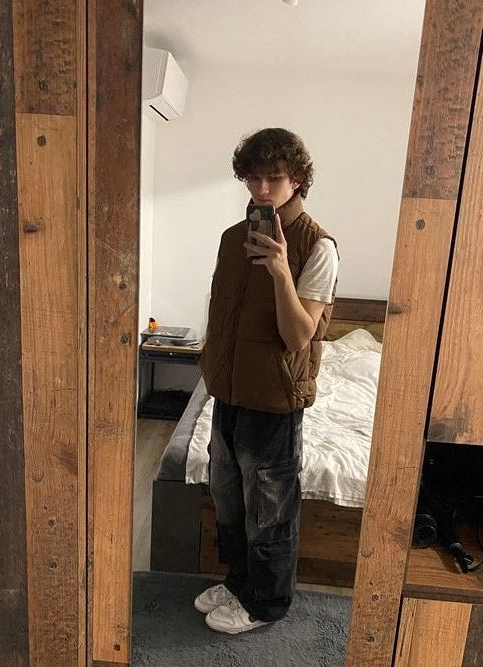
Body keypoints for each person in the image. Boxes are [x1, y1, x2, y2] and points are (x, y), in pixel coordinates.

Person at [194, 128, 339, 634]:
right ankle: (239, 583)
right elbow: (223, 315)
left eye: (273, 178)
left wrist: (279, 271)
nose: (260, 189)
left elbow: (299, 336)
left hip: (276, 400)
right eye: (252, 177)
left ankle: (267, 603)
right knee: (229, 498)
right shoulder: (232, 238)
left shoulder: (318, 246)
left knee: (270, 510)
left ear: (296, 179)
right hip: (228, 391)